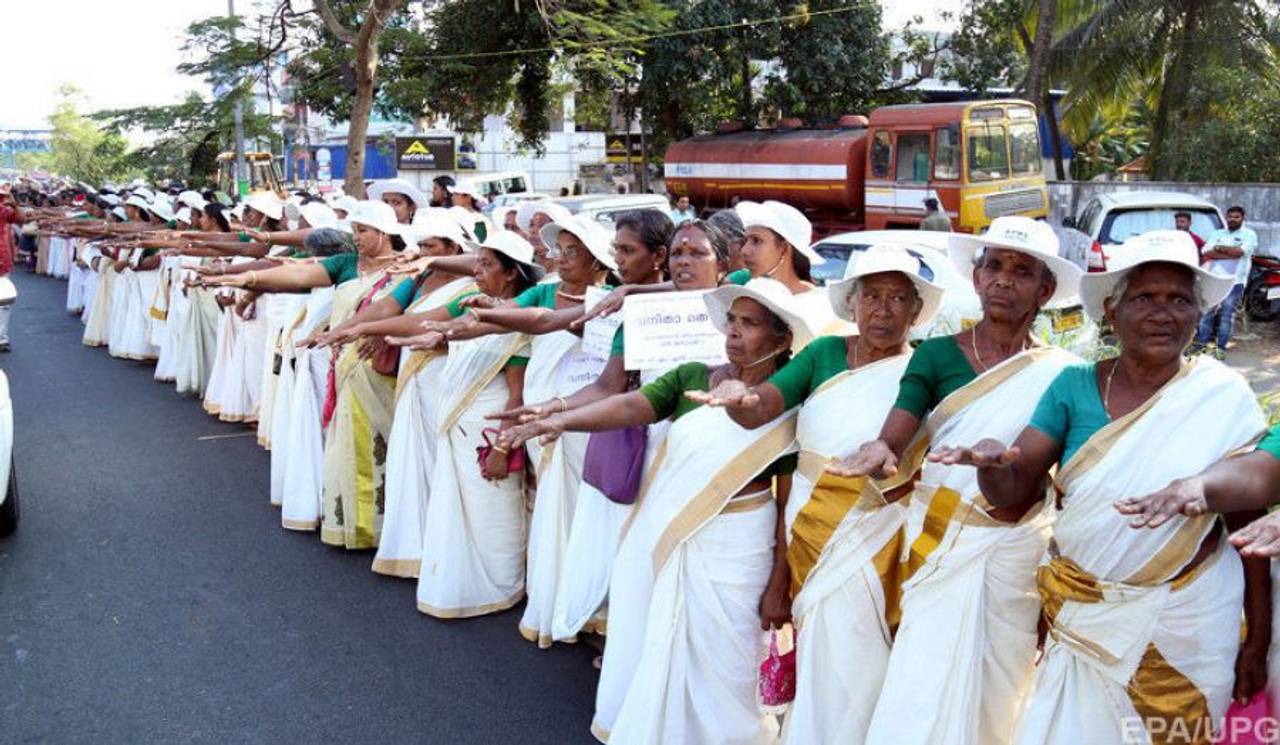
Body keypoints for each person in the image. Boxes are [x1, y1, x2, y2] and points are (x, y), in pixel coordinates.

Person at [936, 230, 1270, 744]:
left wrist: (1258, 639)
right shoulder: (1073, 387)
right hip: (1083, 613)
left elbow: (1249, 527)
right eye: (1144, 299)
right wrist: (989, 464)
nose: (1162, 313)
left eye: (1179, 300)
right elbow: (1013, 488)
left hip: (1191, 621)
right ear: (1112, 314)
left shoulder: (1220, 395)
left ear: (1197, 315)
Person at [500, 278, 813, 744]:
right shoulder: (692, 376)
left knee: (728, 658)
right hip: (669, 530)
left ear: (782, 338)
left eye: (749, 324)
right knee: (663, 637)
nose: (734, 332)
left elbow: (789, 502)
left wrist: (779, 585)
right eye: (731, 321)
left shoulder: (788, 405)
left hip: (741, 544)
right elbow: (631, 404)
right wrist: (560, 419)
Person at [830, 215, 1083, 745]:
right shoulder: (940, 355)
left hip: (1016, 553)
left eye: (1021, 271)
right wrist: (879, 448)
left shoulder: (1062, 373)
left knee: (1000, 684)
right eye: (993, 266)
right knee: (922, 677)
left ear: (1046, 289)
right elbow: (898, 427)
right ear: (976, 276)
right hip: (942, 541)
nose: (1003, 280)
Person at [691, 245, 945, 744]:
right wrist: (738, 399)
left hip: (880, 535)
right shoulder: (824, 354)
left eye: (898, 299)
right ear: (852, 303)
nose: (883, 310)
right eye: (871, 296)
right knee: (818, 650)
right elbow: (765, 401)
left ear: (915, 311)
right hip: (808, 522)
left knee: (863, 658)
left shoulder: (926, 369)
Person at [209, 201, 402, 549]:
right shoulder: (345, 264)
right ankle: (356, 524)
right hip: (345, 363)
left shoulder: (407, 269)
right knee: (344, 441)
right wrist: (249, 279)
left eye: (363, 231)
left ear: (385, 233)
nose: (356, 237)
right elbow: (297, 274)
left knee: (389, 446)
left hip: (383, 370)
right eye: (355, 230)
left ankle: (392, 527)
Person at [399, 231, 544, 619]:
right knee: (461, 505)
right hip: (462, 422)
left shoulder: (518, 321)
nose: (476, 271)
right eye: (476, 263)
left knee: (494, 510)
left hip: (489, 425)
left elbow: (516, 396)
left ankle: (503, 585)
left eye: (486, 265)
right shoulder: (473, 307)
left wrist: (501, 448)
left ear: (511, 273)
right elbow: (456, 339)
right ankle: (463, 581)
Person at [1193, 205, 1257, 358]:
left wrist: (1219, 249)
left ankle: (1220, 348)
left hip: (1235, 281)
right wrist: (1229, 251)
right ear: (1226, 218)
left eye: (1236, 217)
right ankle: (1202, 345)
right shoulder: (1217, 233)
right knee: (1207, 313)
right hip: (1214, 280)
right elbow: (1206, 252)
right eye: (1230, 217)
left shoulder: (1249, 235)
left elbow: (1240, 252)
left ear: (1243, 218)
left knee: (1226, 316)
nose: (1233, 219)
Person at [0, 185, 28, 351]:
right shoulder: (4, 211)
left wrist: (15, 205)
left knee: (3, 300)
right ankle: (1, 338)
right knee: (3, 301)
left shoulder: (4, 211)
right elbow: (22, 220)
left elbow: (20, 220)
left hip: (2, 259)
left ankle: (1, 338)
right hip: (2, 259)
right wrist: (15, 205)